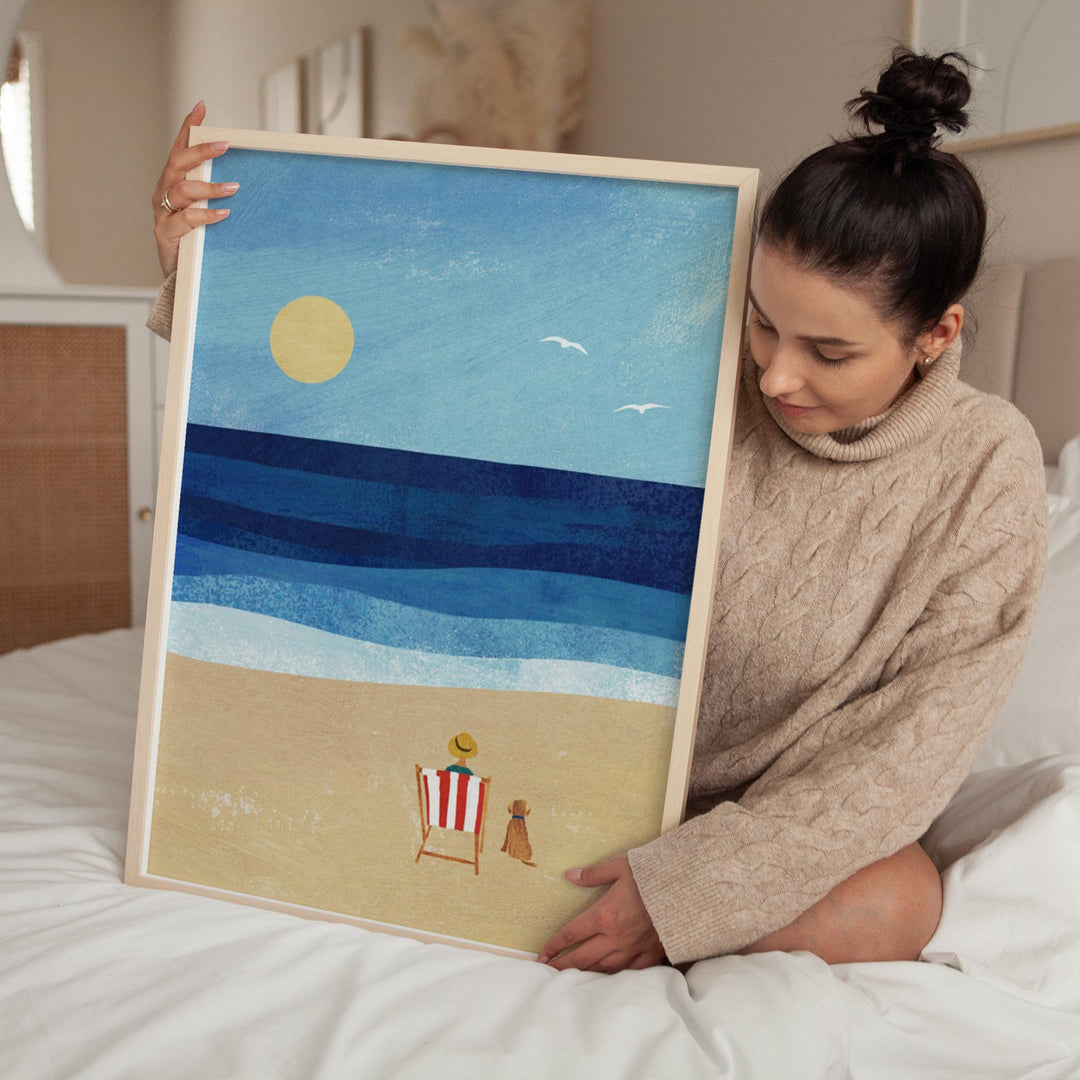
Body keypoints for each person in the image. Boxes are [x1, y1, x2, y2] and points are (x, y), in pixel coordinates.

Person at [148, 51, 1047, 975]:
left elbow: (909, 751)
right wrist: (213, 278)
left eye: (828, 351)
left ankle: (612, 918)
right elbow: (436, 386)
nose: (776, 375)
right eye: (764, 323)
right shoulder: (692, 365)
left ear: (937, 333)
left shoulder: (987, 468)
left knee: (900, 901)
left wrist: (688, 891)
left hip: (760, 825)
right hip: (577, 761)